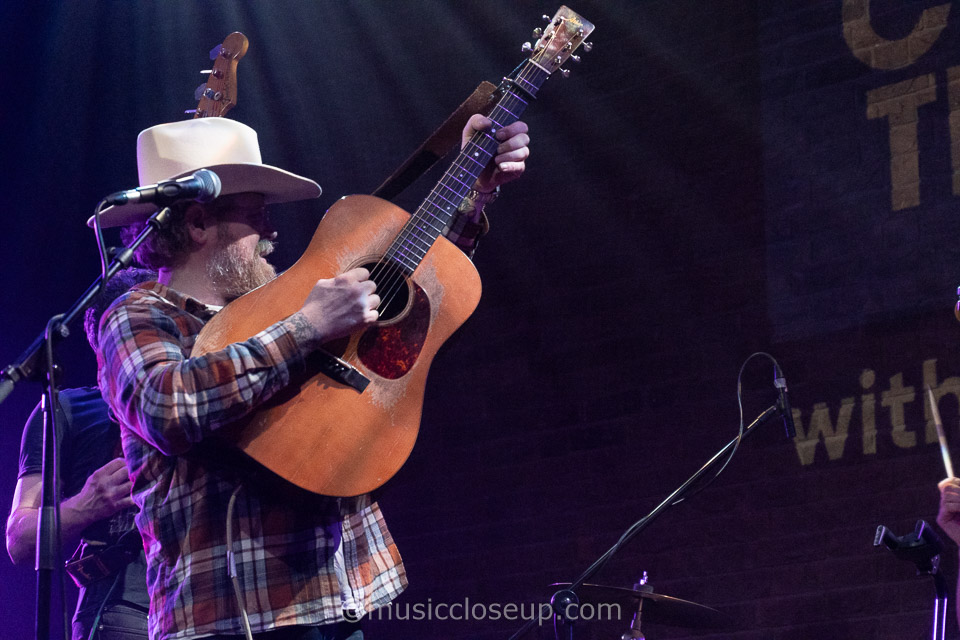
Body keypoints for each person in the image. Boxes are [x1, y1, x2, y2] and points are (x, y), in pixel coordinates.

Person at [94, 114, 530, 640]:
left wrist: (472, 193)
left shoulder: (280, 297)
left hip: (345, 596)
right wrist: (306, 327)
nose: (273, 233)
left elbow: (419, 288)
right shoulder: (138, 314)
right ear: (196, 222)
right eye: (256, 216)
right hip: (233, 614)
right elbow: (167, 409)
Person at [6, 267, 156, 640]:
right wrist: (86, 505)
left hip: (212, 605)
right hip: (124, 614)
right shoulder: (65, 410)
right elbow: (20, 540)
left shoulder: (195, 394)